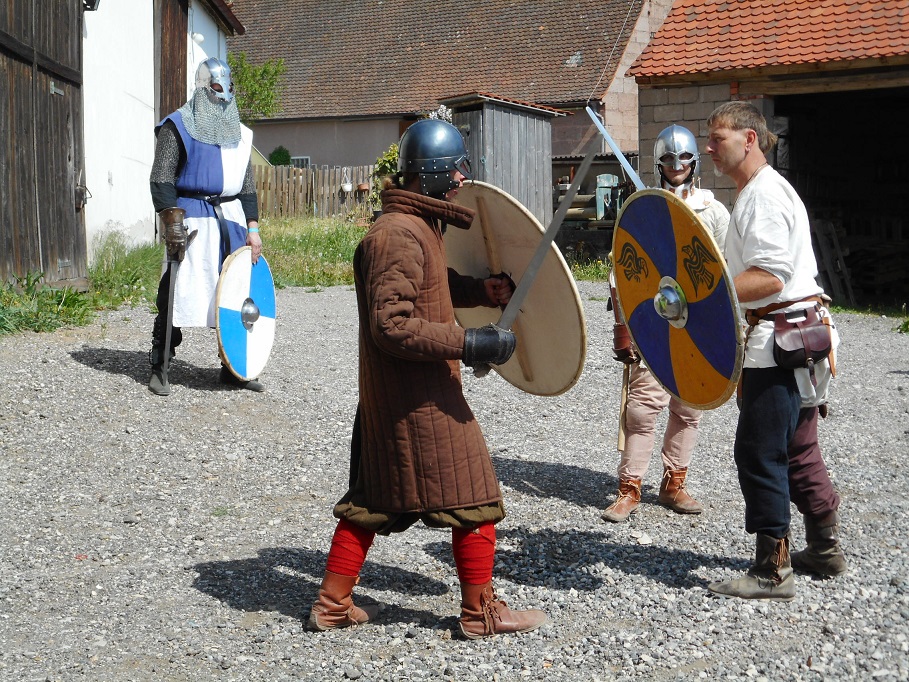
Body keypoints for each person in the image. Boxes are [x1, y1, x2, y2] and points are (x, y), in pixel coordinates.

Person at [308, 118, 547, 639]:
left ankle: (331, 604)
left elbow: (429, 285)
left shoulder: (414, 225)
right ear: (433, 171)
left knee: (373, 497)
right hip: (417, 396)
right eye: (456, 168)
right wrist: (471, 341)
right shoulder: (396, 234)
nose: (462, 179)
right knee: (474, 489)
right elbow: (391, 325)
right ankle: (480, 614)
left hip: (394, 395)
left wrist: (480, 291)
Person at [704, 101, 847, 600]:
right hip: (804, 337)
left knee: (760, 451)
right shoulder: (762, 190)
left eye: (717, 138)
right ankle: (825, 548)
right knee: (799, 444)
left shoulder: (762, 195)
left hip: (780, 341)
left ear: (750, 139)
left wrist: (705, 294)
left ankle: (772, 569)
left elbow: (769, 276)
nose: (708, 148)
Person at [601, 125, 730, 523]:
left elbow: (727, 275)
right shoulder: (643, 206)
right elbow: (622, 269)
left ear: (696, 162)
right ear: (659, 164)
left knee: (689, 407)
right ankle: (629, 488)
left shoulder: (714, 211)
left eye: (684, 158)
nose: (678, 166)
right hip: (656, 318)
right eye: (669, 160)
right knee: (642, 409)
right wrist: (625, 326)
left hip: (699, 323)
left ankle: (674, 482)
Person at [147, 57, 264, 396]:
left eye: (228, 89)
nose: (223, 96)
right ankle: (161, 364)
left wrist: (253, 228)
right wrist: (171, 222)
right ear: (202, 89)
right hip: (191, 218)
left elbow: (247, 188)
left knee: (236, 294)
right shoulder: (179, 125)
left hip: (231, 221)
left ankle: (233, 367)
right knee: (176, 291)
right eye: (215, 88)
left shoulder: (239, 135)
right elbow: (161, 179)